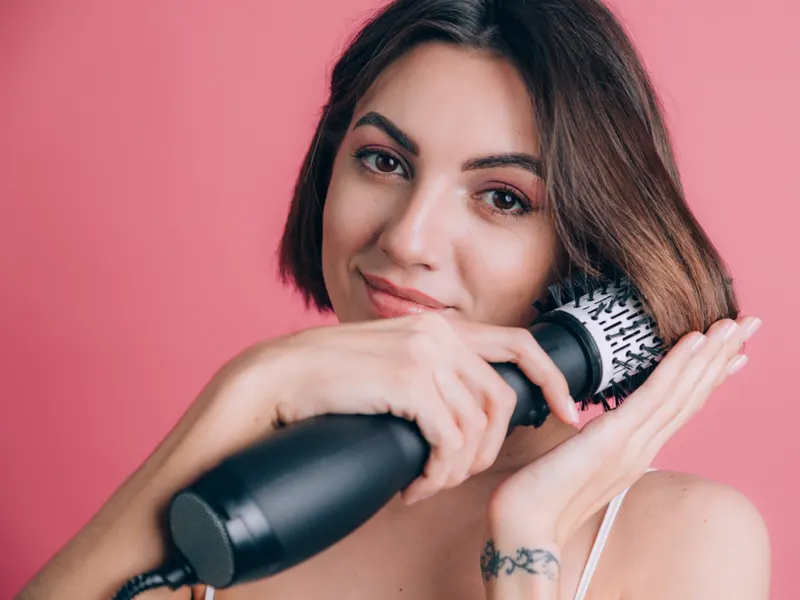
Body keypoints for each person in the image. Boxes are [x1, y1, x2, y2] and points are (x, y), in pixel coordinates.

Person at [17, 0, 771, 598]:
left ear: (592, 248)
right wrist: (252, 387)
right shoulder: (247, 479)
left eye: (503, 198)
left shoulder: (688, 537)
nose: (408, 238)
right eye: (383, 160)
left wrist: (526, 545)